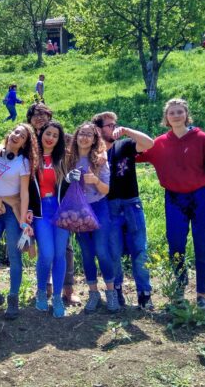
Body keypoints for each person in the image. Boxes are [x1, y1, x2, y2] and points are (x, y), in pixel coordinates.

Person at [136, 98, 205, 310]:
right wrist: (108, 146)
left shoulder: (200, 138)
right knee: (176, 245)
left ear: (186, 114)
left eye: (179, 111)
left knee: (203, 245)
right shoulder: (161, 142)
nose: (176, 115)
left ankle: (202, 294)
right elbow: (134, 156)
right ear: (166, 117)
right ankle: (179, 290)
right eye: (172, 112)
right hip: (173, 200)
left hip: (199, 198)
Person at [92, 112, 154, 309]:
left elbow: (149, 144)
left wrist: (127, 130)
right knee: (114, 251)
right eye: (109, 125)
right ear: (99, 129)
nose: (114, 128)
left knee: (139, 250)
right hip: (109, 206)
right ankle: (117, 290)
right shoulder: (94, 153)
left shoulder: (125, 144)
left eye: (115, 124)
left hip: (131, 202)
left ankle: (144, 294)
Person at [0, 123, 38, 320]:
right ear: (10, 134)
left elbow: (24, 192)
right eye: (15, 132)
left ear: (24, 143)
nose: (17, 136)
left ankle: (13, 298)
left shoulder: (23, 162)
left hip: (12, 211)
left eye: (22, 136)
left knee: (14, 255)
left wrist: (22, 219)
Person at [26, 103, 81, 306]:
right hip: (41, 212)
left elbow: (66, 186)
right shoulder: (31, 156)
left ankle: (58, 296)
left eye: (55, 135)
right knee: (46, 254)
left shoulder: (63, 158)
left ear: (59, 139)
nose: (50, 137)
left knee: (60, 255)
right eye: (48, 134)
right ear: (41, 135)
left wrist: (70, 179)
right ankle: (42, 291)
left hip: (61, 211)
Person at [67, 122, 120, 313]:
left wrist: (95, 180)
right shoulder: (69, 158)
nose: (85, 137)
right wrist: (68, 179)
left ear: (94, 139)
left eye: (89, 134)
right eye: (82, 133)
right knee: (87, 252)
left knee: (101, 250)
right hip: (78, 210)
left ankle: (111, 292)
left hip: (98, 207)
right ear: (76, 136)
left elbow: (106, 190)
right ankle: (93, 293)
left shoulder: (99, 159)